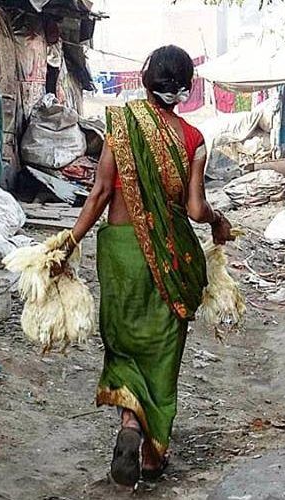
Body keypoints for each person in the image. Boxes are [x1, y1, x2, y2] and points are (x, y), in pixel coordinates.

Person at [58, 45, 234, 486]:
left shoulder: (122, 125)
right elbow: (195, 209)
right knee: (161, 352)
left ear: (145, 78)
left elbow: (98, 193)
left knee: (124, 345)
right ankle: (153, 457)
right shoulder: (193, 140)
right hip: (171, 258)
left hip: (119, 254)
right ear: (187, 89)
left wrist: (68, 244)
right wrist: (219, 221)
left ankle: (129, 426)